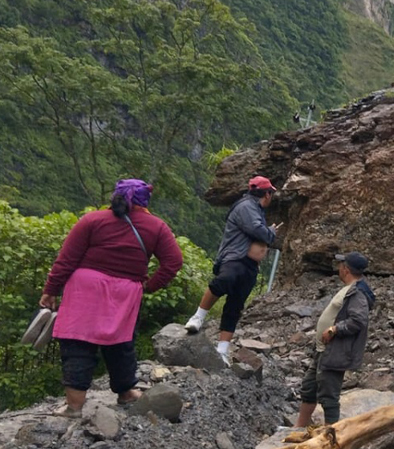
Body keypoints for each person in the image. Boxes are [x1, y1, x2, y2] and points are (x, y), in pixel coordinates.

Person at [40, 179, 183, 418]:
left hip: (84, 290)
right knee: (121, 343)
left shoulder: (92, 220)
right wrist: (149, 286)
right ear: (144, 201)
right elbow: (174, 262)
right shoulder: (156, 227)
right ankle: (126, 393)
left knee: (78, 344)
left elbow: (66, 260)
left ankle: (74, 406)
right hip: (125, 294)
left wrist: (51, 289)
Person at [184, 175, 280, 364]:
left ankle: (222, 350)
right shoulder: (246, 206)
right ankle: (198, 317)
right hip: (235, 257)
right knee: (224, 281)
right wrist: (271, 233)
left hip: (250, 265)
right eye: (271, 193)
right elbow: (257, 230)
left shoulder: (256, 209)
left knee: (235, 306)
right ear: (266, 194)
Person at [295, 252, 375, 427]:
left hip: (335, 351)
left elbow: (358, 320)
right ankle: (299, 428)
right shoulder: (350, 288)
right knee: (309, 388)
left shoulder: (357, 293)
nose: (338, 268)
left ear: (346, 269)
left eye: (341, 265)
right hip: (323, 350)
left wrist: (334, 329)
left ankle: (331, 437)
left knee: (329, 395)